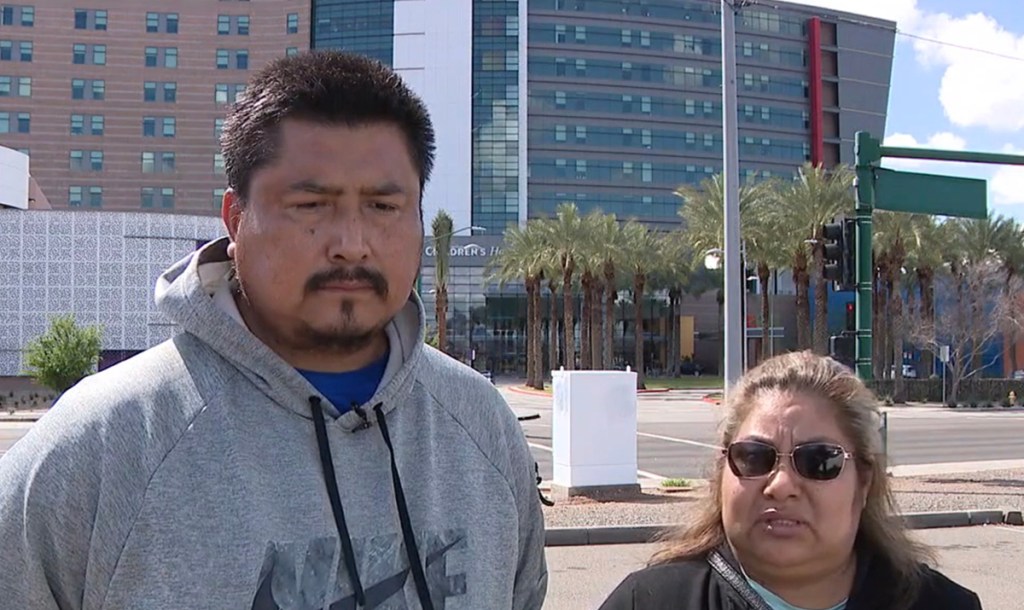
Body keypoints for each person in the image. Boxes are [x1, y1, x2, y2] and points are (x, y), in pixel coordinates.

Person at [0, 51, 547, 609]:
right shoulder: (100, 445)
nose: (351, 242)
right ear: (236, 221)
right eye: (311, 204)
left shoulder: (482, 427)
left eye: (383, 205)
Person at [600, 351, 981, 610]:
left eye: (819, 461)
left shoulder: (943, 605)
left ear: (863, 482)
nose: (780, 485)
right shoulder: (648, 602)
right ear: (721, 474)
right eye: (754, 457)